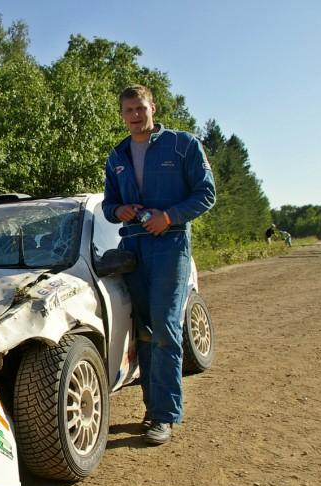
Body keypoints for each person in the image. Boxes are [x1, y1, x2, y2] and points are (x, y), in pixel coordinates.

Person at [103, 85, 216, 445]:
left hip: (170, 243)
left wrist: (169, 216)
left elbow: (206, 193)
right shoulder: (117, 155)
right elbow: (109, 204)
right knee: (145, 331)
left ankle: (164, 415)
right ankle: (153, 409)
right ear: (122, 115)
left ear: (153, 107)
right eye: (128, 110)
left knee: (166, 327)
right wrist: (118, 210)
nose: (135, 115)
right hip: (132, 247)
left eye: (140, 108)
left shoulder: (183, 144)